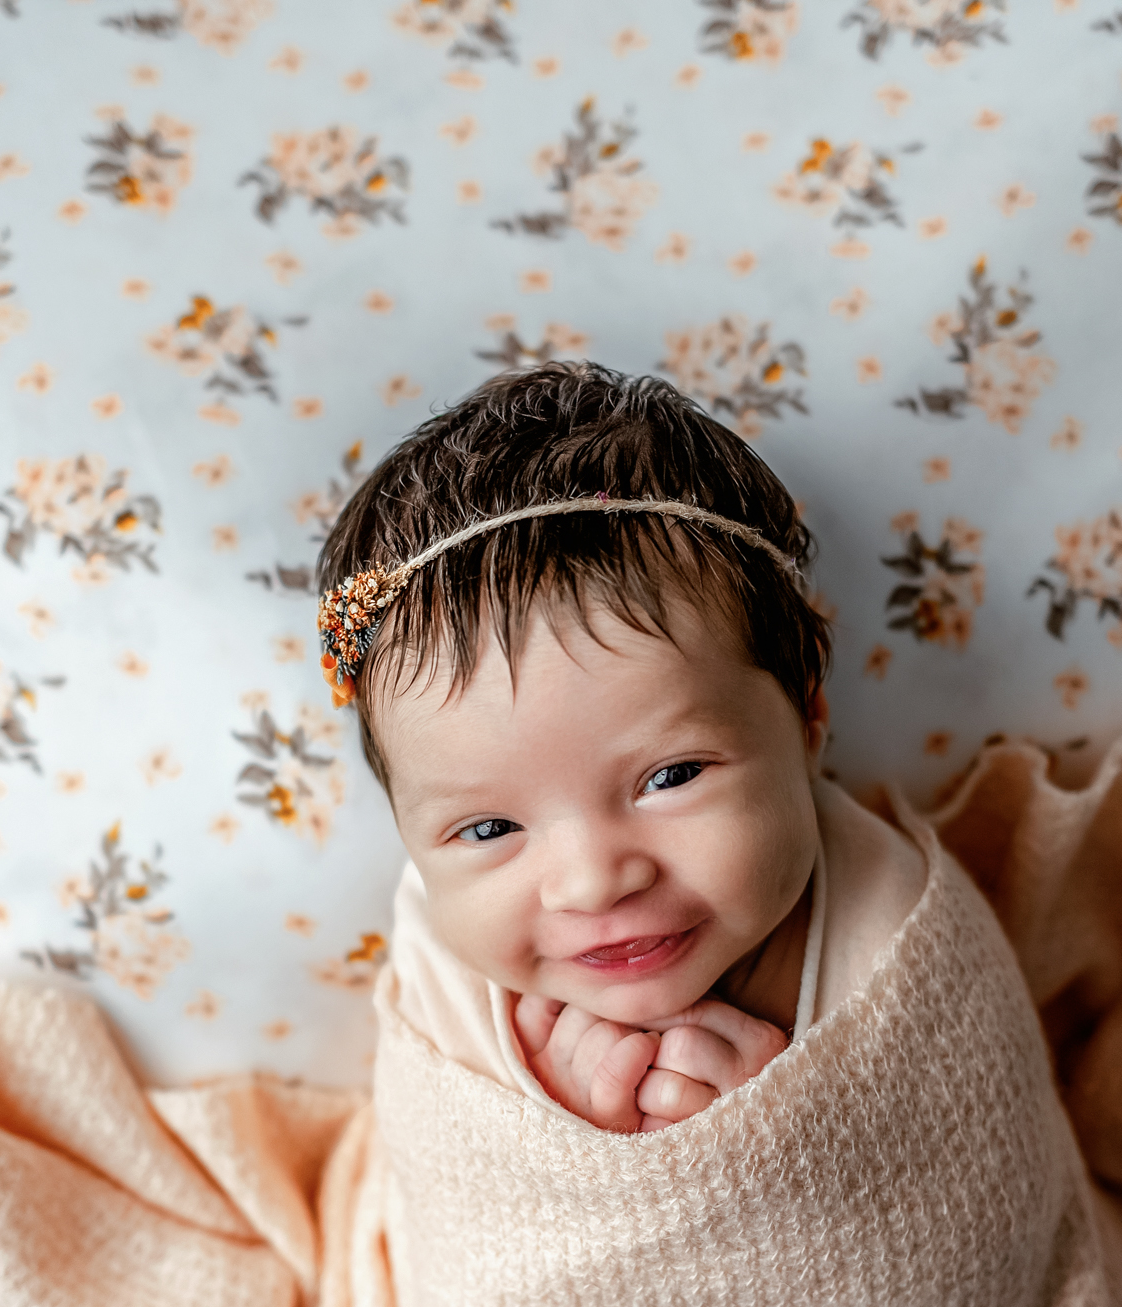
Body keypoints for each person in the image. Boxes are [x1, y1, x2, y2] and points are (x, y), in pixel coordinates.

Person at [316, 360, 926, 1133]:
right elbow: (446, 1210)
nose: (593, 884)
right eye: (489, 830)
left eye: (669, 777)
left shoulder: (889, 935)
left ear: (807, 715)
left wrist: (785, 1138)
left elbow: (967, 1199)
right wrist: (561, 1144)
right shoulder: (447, 989)